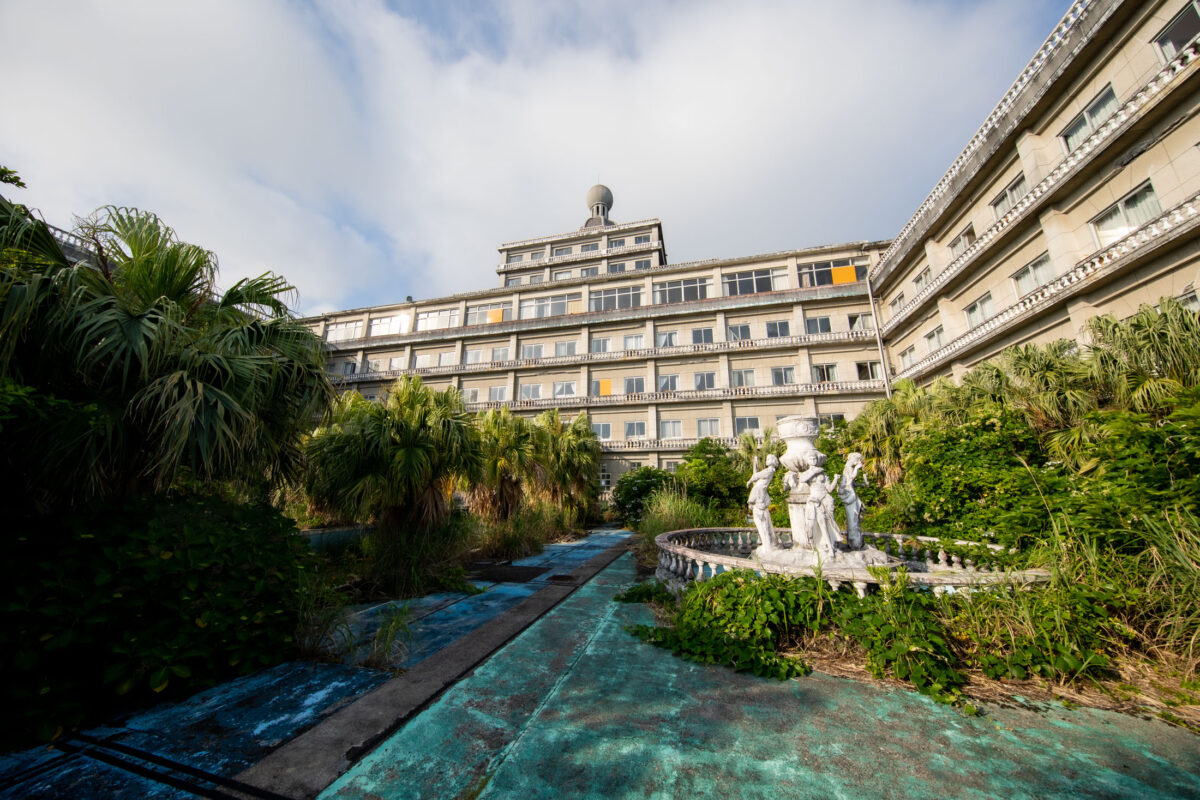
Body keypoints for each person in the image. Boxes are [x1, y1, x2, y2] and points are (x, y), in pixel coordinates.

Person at [747, 454, 779, 552]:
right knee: (763, 523)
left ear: (773, 461)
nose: (767, 460)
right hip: (759, 497)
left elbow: (756, 476)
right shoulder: (768, 471)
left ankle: (767, 545)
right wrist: (755, 465)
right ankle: (769, 544)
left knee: (762, 524)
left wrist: (749, 481)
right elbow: (756, 477)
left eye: (769, 458)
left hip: (759, 498)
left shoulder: (768, 471)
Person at [839, 452, 869, 549]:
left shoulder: (849, 468)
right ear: (853, 459)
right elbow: (849, 481)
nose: (859, 461)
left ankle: (856, 541)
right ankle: (855, 542)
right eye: (858, 459)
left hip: (852, 494)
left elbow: (853, 484)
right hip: (849, 496)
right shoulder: (848, 468)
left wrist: (863, 484)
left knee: (856, 517)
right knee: (853, 518)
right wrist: (856, 469)